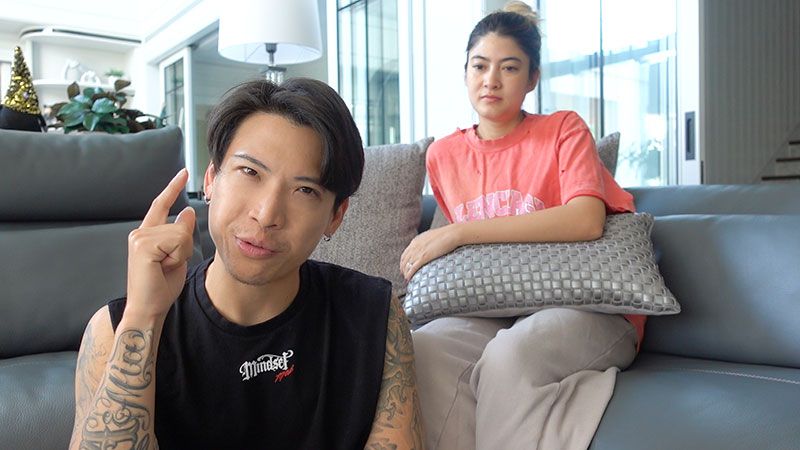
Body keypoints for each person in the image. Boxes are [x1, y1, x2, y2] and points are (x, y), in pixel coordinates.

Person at [69, 78, 423, 450]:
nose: (267, 214)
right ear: (211, 180)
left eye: (305, 190)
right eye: (250, 172)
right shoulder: (116, 330)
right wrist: (144, 317)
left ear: (336, 216)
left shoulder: (374, 317)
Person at [400, 3, 645, 449]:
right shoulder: (443, 156)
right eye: (479, 66)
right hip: (497, 307)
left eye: (509, 68)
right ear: (465, 72)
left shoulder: (564, 129)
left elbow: (586, 219)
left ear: (533, 78)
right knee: (426, 349)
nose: (491, 80)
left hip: (591, 305)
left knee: (509, 355)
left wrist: (457, 232)